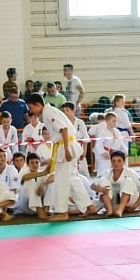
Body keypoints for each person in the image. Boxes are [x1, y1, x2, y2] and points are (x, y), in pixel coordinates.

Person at [26, 93, 85, 221]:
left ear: (38, 104)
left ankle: (62, 212)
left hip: (65, 146)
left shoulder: (48, 112)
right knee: (69, 178)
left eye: (31, 108)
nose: (31, 111)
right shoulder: (48, 111)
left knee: (61, 181)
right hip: (64, 145)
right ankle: (86, 207)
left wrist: (67, 150)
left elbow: (63, 129)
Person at [91, 150, 140, 217]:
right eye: (114, 161)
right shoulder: (106, 173)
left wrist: (135, 206)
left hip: (128, 203)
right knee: (102, 180)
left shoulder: (131, 173)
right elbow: (92, 185)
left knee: (128, 180)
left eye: (119, 161)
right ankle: (110, 210)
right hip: (112, 203)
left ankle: (120, 210)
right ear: (111, 162)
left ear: (124, 162)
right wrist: (100, 188)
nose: (116, 163)